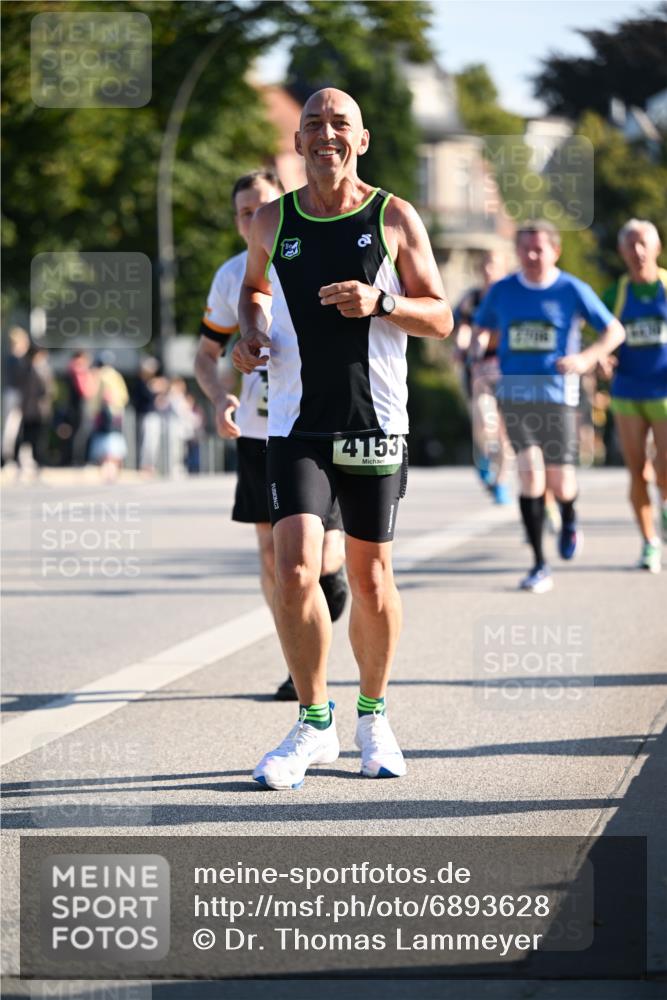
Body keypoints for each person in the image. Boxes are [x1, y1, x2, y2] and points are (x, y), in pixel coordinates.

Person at [234, 88, 453, 790]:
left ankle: (373, 715)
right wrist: (252, 328)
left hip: (374, 422)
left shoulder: (392, 215)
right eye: (312, 125)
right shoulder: (271, 218)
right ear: (295, 144)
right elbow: (253, 288)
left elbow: (441, 315)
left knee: (370, 578)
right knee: (294, 569)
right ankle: (313, 722)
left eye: (339, 125)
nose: (325, 134)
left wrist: (381, 302)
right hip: (296, 422)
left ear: (360, 140)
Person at [194, 169, 349, 704]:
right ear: (239, 220)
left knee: (324, 561)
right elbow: (205, 356)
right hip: (258, 433)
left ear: (281, 204)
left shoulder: (310, 254)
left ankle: (319, 629)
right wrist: (220, 399)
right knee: (273, 558)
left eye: (262, 205)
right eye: (243, 211)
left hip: (316, 426)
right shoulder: (230, 276)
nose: (253, 217)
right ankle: (300, 662)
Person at [473, 220, 625, 593]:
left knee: (561, 483)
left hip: (558, 396)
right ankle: (539, 564)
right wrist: (478, 356)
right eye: (525, 249)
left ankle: (570, 518)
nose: (532, 256)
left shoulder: (572, 289)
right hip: (514, 394)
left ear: (554, 251)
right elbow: (480, 329)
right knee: (529, 475)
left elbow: (614, 330)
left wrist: (586, 358)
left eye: (539, 249)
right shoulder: (504, 290)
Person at [602, 219, 667, 573]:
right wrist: (604, 360)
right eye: (630, 245)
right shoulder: (616, 293)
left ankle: (666, 509)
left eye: (643, 243)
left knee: (664, 471)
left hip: (664, 392)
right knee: (637, 471)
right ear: (622, 252)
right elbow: (603, 339)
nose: (638, 251)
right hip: (628, 391)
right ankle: (649, 542)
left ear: (657, 247)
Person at [454, 248, 512, 503]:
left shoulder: (512, 298)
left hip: (508, 370)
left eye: (494, 264)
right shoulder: (473, 299)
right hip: (479, 370)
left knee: (507, 431)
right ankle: (486, 455)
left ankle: (500, 482)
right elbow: (464, 327)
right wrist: (462, 347)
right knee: (483, 421)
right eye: (485, 264)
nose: (489, 269)